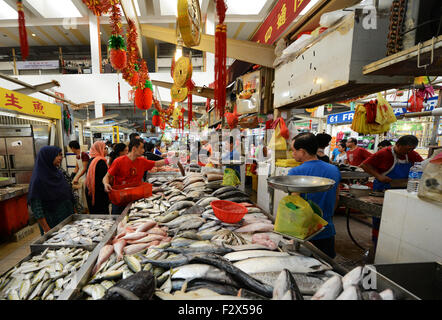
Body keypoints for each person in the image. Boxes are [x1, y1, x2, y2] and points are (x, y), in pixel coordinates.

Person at [360, 135, 423, 249]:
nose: (409, 152)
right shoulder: (384, 153)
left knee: (399, 218)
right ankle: (377, 242)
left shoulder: (412, 154)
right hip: (382, 189)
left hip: (402, 191)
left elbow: (423, 165)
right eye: (407, 149)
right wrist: (379, 176)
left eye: (412, 149)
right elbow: (364, 165)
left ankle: (394, 242)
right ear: (398, 145)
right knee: (380, 217)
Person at [288, 133, 341, 258]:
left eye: (293, 151)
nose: (292, 154)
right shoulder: (333, 170)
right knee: (328, 268)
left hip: (305, 233)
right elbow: (337, 198)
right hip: (327, 230)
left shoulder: (296, 172)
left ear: (302, 151)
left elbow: (295, 204)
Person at [103, 139, 176, 214]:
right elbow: (107, 176)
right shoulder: (118, 161)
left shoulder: (142, 161)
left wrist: (173, 159)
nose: (144, 150)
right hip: (120, 200)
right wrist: (106, 184)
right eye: (142, 148)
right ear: (134, 148)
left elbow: (157, 163)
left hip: (135, 199)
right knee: (118, 221)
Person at [28, 146, 74, 235]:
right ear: (48, 157)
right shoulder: (38, 179)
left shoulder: (58, 174)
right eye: (57, 155)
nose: (60, 158)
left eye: (61, 155)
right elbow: (37, 208)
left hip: (66, 218)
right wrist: (47, 230)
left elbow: (68, 195)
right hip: (51, 222)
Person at [85, 141, 109, 214]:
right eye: (104, 148)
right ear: (99, 149)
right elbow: (104, 178)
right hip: (99, 193)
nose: (106, 150)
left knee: (94, 213)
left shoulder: (91, 160)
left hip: (90, 191)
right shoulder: (101, 162)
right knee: (102, 215)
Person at [68, 140, 89, 213]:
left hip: (84, 177)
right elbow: (77, 167)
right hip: (80, 177)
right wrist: (72, 176)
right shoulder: (77, 156)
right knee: (80, 196)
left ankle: (87, 211)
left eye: (71, 148)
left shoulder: (84, 155)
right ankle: (82, 210)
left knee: (84, 196)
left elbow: (84, 168)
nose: (71, 150)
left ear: (73, 147)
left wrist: (77, 177)